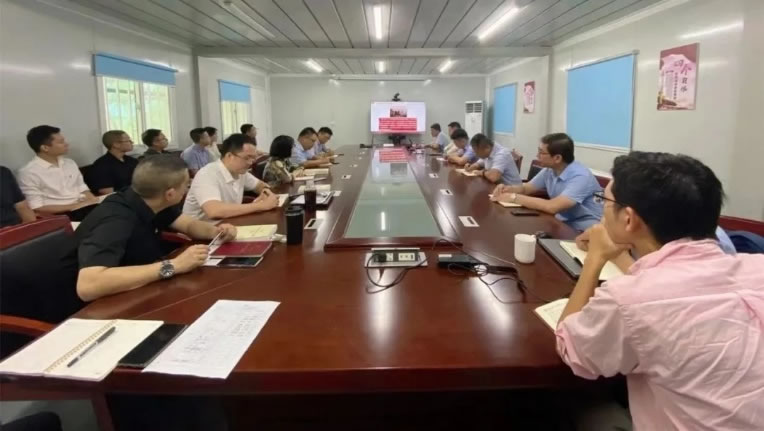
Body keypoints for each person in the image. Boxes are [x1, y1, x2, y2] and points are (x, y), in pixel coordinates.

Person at [556, 151, 764, 430]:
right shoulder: (757, 267)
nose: (602, 209)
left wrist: (595, 258)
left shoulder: (628, 299)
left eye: (604, 201)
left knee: (577, 405)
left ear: (628, 219)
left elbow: (571, 349)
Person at [74, 155, 237, 302]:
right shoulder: (115, 219)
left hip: (138, 286)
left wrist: (215, 231)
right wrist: (174, 265)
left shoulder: (150, 198)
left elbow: (188, 225)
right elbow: (88, 286)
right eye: (186, 185)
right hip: (90, 305)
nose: (187, 189)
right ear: (170, 194)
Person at [491, 133, 602, 231]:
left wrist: (513, 197)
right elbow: (526, 188)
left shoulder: (581, 176)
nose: (537, 156)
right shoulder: (550, 170)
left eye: (541, 153)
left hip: (585, 229)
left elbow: (553, 206)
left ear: (557, 158)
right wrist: (508, 189)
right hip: (563, 222)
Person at [183, 133, 277, 221]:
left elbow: (259, 185)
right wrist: (260, 206)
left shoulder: (240, 172)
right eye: (247, 158)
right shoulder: (207, 174)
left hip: (227, 224)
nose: (250, 162)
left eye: (253, 158)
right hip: (201, 229)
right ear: (229, 156)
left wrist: (265, 192)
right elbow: (214, 211)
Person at [17, 125, 100, 221]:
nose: (66, 144)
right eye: (61, 142)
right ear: (45, 148)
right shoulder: (29, 172)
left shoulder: (70, 163)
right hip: (58, 215)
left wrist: (93, 201)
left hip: (83, 208)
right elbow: (37, 207)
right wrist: (75, 206)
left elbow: (82, 188)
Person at [90, 130, 139, 195]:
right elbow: (107, 192)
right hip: (121, 198)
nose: (132, 142)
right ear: (116, 144)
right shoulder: (101, 165)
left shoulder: (132, 160)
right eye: (128, 140)